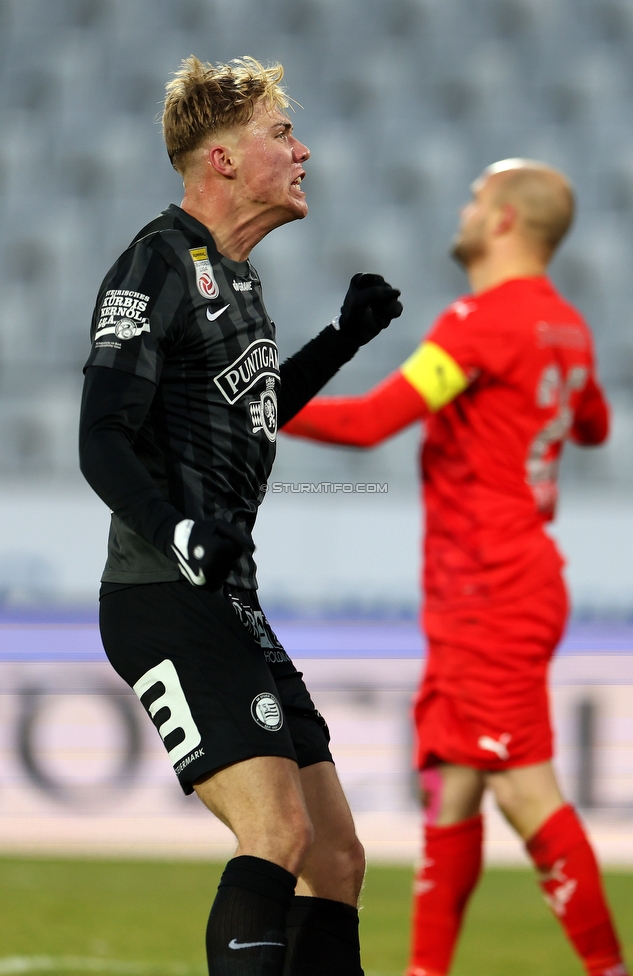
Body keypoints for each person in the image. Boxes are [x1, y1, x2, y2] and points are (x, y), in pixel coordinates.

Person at [79, 56, 403, 976]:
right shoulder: (155, 261)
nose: (302, 152)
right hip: (165, 591)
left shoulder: (240, 282)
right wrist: (176, 531)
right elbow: (101, 434)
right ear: (221, 158)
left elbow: (253, 405)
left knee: (336, 860)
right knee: (276, 830)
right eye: (280, 135)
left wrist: (342, 340)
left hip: (232, 600)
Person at [282, 159, 629, 976]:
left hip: (491, 588)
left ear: (505, 220)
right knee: (452, 789)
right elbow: (595, 425)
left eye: (478, 199)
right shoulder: (567, 327)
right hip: (502, 582)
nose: (467, 211)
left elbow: (372, 422)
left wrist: (259, 402)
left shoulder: (479, 324)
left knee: (520, 788)